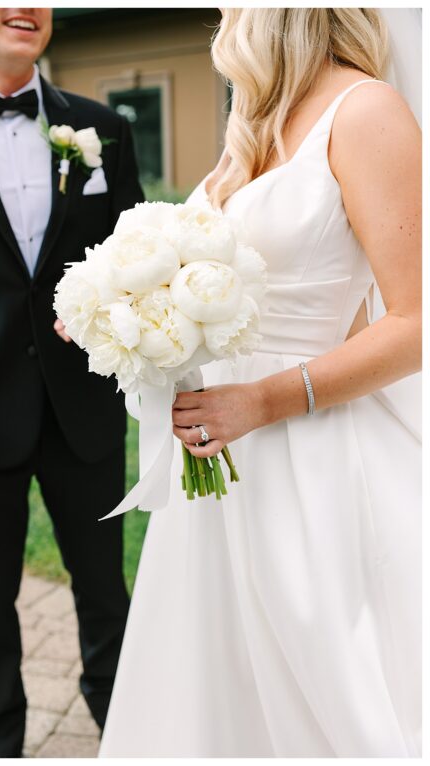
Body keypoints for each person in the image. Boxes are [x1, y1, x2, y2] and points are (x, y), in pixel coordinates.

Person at [91, 8, 421, 756]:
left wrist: (263, 400)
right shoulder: (253, 123)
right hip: (218, 462)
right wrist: (122, 309)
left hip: (310, 452)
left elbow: (414, 324)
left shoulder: (365, 110)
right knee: (210, 688)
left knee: (322, 692)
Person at [0, 8, 144, 757]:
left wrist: (110, 314)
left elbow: (135, 254)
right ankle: (2, 741)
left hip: (85, 404)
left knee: (106, 591)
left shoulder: (103, 128)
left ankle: (123, 728)